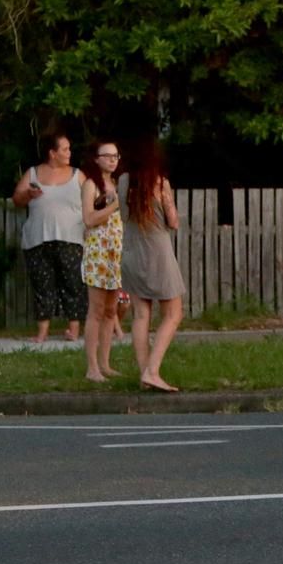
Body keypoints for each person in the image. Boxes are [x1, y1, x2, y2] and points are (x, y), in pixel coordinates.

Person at [118, 138, 185, 392]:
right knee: (173, 313)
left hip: (132, 250)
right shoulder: (160, 182)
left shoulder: (123, 182)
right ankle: (153, 371)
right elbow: (173, 221)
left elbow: (123, 215)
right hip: (157, 251)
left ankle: (144, 374)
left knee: (141, 315)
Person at [12, 133, 87, 343]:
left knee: (73, 284)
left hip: (71, 238)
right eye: (65, 149)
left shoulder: (77, 175)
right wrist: (28, 194)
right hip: (38, 238)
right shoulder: (33, 173)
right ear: (52, 153)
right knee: (42, 285)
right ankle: (42, 333)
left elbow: (93, 199)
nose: (69, 153)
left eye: (69, 148)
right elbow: (17, 199)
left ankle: (73, 330)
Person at [80, 141, 124, 382]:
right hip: (98, 252)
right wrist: (116, 204)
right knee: (95, 311)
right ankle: (92, 367)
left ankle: (106, 364)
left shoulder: (119, 184)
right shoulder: (91, 185)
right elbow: (88, 219)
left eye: (115, 156)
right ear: (96, 159)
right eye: (106, 156)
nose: (112, 160)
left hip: (115, 252)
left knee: (111, 311)